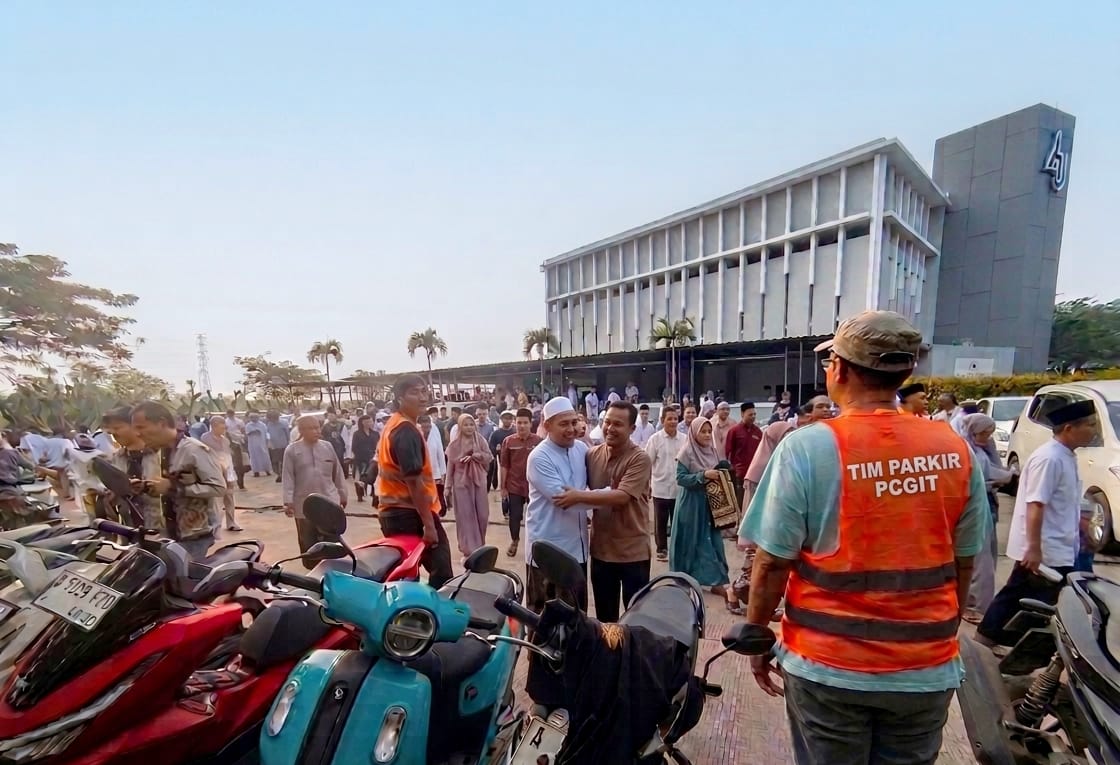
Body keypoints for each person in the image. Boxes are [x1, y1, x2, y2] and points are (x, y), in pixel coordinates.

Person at [742, 310, 989, 765]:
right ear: (907, 372)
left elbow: (773, 562)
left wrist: (756, 634)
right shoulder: (955, 449)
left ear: (838, 369)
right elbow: (965, 560)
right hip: (924, 668)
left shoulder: (809, 447)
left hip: (828, 665)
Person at [976, 399, 1099, 648]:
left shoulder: (1065, 457)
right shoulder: (1049, 458)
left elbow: (1062, 503)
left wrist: (1081, 525)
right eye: (1090, 425)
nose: (1094, 431)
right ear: (1068, 428)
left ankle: (995, 643)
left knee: (1032, 600)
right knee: (1018, 598)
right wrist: (1033, 548)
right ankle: (981, 646)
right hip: (1044, 550)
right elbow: (1036, 504)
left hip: (1058, 547)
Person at [557, 401, 652, 623]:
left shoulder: (639, 458)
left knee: (635, 620)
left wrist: (578, 496)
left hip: (633, 553)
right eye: (607, 422)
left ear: (632, 429)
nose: (610, 428)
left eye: (618, 424)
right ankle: (607, 658)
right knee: (605, 620)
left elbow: (622, 497)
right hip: (601, 553)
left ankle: (630, 659)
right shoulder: (592, 455)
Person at [525, 396, 592, 709]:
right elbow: (565, 499)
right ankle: (542, 693)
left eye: (573, 422)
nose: (570, 429)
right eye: (563, 423)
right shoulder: (539, 457)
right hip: (548, 556)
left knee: (575, 624)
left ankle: (572, 686)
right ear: (547, 425)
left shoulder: (582, 450)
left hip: (577, 552)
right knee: (543, 624)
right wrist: (615, 497)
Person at [377, 376, 453, 587]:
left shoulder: (394, 425)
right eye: (414, 392)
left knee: (406, 575)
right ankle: (432, 616)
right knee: (442, 575)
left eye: (423, 391)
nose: (422, 397)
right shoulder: (405, 430)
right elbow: (414, 482)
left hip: (394, 513)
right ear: (399, 398)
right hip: (410, 514)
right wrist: (429, 525)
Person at [132, 401, 228, 560]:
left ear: (161, 423)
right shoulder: (159, 452)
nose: (137, 434)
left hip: (194, 535)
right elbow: (164, 486)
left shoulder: (194, 450)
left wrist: (175, 488)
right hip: (169, 533)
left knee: (183, 580)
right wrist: (145, 487)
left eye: (141, 427)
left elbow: (218, 488)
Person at [669, 416, 740, 614]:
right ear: (694, 432)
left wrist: (722, 467)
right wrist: (702, 476)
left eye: (709, 431)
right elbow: (681, 479)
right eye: (703, 431)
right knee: (691, 541)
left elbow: (716, 469)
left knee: (712, 540)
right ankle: (684, 579)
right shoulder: (686, 452)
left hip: (710, 502)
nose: (708, 435)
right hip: (691, 504)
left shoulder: (712, 450)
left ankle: (716, 580)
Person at [960, 413, 1013, 624]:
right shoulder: (966, 450)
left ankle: (980, 604)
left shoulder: (982, 449)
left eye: (989, 434)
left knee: (988, 558)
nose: (986, 437)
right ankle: (974, 605)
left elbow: (992, 471)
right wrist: (1005, 477)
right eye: (983, 433)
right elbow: (978, 477)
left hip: (988, 504)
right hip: (975, 507)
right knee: (979, 562)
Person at [282, 415, 348, 568]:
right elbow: (288, 477)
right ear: (301, 431)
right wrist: (288, 502)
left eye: (318, 427)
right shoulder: (292, 450)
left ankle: (332, 570)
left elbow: (337, 473)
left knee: (332, 540)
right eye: (312, 428)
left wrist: (342, 494)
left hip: (329, 502)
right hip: (303, 505)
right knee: (308, 541)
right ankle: (313, 573)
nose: (317, 431)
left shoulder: (327, 447)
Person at [101, 406, 164, 530]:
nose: (112, 433)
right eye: (110, 429)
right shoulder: (117, 458)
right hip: (130, 528)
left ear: (135, 426)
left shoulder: (161, 454)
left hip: (162, 529)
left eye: (117, 427)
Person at [445, 413, 493, 559]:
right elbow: (450, 466)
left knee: (482, 515)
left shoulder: (481, 440)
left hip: (479, 480)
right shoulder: (454, 444)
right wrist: (447, 486)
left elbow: (489, 457)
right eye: (465, 425)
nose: (469, 427)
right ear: (460, 426)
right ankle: (468, 549)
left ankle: (480, 545)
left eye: (471, 424)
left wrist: (476, 456)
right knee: (466, 516)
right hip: (461, 482)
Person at [644, 405, 685, 562]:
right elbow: (647, 463)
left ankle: (676, 548)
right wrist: (646, 484)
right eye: (670, 419)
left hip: (679, 488)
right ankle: (661, 549)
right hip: (660, 487)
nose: (673, 421)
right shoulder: (655, 439)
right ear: (662, 421)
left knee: (677, 520)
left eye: (675, 418)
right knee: (660, 521)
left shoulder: (684, 439)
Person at [499, 408, 541, 558]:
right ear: (515, 424)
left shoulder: (539, 441)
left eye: (525, 423)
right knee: (515, 516)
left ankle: (536, 544)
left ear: (531, 424)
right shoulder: (508, 441)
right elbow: (504, 465)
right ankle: (514, 540)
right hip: (514, 486)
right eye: (519, 423)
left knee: (536, 516)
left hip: (534, 487)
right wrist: (503, 487)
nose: (522, 426)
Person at [201, 416, 241, 532]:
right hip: (213, 472)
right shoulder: (205, 438)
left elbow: (228, 456)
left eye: (224, 428)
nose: (223, 430)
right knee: (215, 500)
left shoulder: (225, 439)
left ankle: (231, 523)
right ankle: (214, 524)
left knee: (229, 497)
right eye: (221, 428)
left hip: (228, 471)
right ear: (213, 426)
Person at [725, 402, 763, 508]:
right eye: (750, 415)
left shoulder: (758, 432)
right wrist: (734, 469)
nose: (753, 417)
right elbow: (728, 452)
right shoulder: (734, 431)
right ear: (742, 414)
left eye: (754, 414)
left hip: (754, 475)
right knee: (740, 502)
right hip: (739, 474)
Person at [418, 413, 448, 515]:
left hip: (436, 472)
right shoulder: (416, 437)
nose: (427, 429)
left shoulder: (434, 435)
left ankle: (439, 511)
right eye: (424, 426)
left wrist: (443, 472)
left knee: (438, 495)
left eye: (428, 426)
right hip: (421, 473)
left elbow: (440, 453)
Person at [350, 414, 379, 503]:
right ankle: (360, 495)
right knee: (361, 477)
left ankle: (375, 496)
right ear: (363, 423)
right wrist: (358, 455)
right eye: (368, 421)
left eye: (371, 421)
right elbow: (354, 447)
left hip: (373, 459)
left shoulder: (375, 434)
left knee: (374, 477)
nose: (370, 423)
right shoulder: (357, 434)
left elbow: (379, 445)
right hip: (361, 458)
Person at [489, 410, 515, 500]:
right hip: (501, 462)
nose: (507, 421)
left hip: (515, 462)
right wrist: (495, 449)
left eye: (509, 418)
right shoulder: (496, 433)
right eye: (505, 418)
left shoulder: (515, 431)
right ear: (501, 419)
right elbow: (490, 446)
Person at [224, 409, 248, 490]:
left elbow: (243, 431)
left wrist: (242, 440)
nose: (230, 415)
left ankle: (241, 483)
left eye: (231, 413)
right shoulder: (225, 422)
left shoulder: (239, 421)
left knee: (240, 465)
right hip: (229, 445)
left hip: (239, 443)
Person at [265, 411, 290, 483]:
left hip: (283, 445)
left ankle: (282, 475)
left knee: (283, 461)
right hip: (273, 446)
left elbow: (287, 434)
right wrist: (268, 442)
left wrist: (288, 442)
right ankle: (278, 474)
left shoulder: (284, 423)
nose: (272, 420)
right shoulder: (269, 424)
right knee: (274, 462)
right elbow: (267, 434)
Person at [244, 413, 271, 477]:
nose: (254, 419)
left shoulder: (262, 425)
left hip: (262, 443)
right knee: (254, 458)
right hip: (253, 445)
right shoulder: (248, 425)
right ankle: (256, 471)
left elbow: (267, 433)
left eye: (255, 417)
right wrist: (253, 432)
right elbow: (247, 434)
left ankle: (267, 470)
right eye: (252, 417)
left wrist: (268, 440)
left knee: (264, 457)